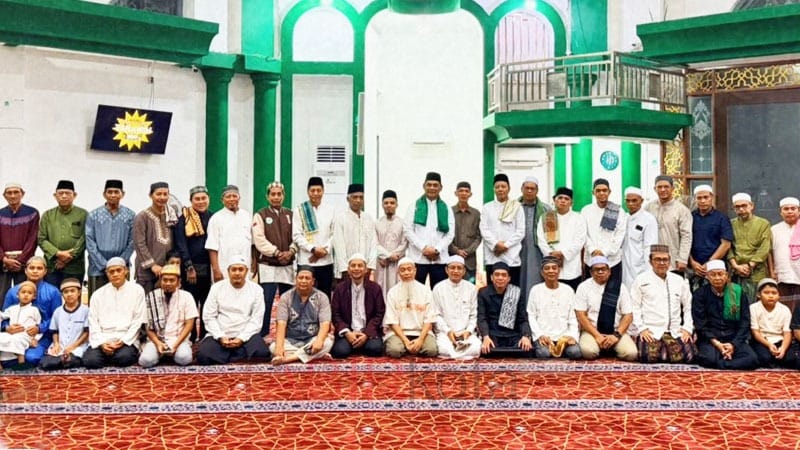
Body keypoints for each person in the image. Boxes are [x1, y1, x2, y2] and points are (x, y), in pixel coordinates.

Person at [197, 255, 269, 365]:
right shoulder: (217, 288)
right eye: (234, 269)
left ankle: (226, 354)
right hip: (221, 334)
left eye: (241, 269)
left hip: (245, 335)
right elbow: (208, 316)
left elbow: (256, 319)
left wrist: (241, 338)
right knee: (203, 356)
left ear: (246, 271)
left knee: (262, 353)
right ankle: (237, 355)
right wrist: (220, 336)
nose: (237, 273)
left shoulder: (256, 290)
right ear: (228, 271)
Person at [630, 245, 695, 363]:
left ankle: (665, 351)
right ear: (650, 261)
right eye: (657, 259)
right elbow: (634, 306)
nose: (661, 263)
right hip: (650, 330)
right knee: (648, 357)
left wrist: (687, 329)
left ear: (669, 261)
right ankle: (664, 352)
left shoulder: (678, 280)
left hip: (674, 330)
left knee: (690, 356)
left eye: (665, 260)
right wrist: (642, 329)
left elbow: (688, 306)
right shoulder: (641, 280)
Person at [692, 259, 758, 370]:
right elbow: (700, 324)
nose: (717, 278)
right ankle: (728, 359)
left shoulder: (737, 292)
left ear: (726, 275)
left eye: (720, 274)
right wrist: (717, 343)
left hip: (733, 338)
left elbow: (745, 322)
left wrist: (733, 344)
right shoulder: (700, 294)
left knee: (752, 359)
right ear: (707, 277)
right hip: (711, 339)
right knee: (708, 358)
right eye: (713, 275)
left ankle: (723, 363)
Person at [84, 257, 147, 369]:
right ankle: (107, 355)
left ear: (126, 271)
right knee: (90, 361)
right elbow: (93, 321)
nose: (115, 274)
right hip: (103, 338)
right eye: (111, 272)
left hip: (126, 339)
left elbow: (138, 321)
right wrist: (102, 343)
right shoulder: (98, 294)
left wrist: (123, 341)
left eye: (119, 270)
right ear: (107, 274)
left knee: (123, 358)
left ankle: (110, 357)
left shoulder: (137, 291)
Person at [252, 181, 297, 337]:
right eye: (273, 194)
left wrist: (291, 251)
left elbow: (297, 236)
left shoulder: (291, 214)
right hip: (268, 266)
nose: (276, 197)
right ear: (267, 196)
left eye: (279, 194)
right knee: (266, 301)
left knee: (288, 302)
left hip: (287, 265)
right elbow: (259, 240)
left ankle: (288, 333)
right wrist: (277, 253)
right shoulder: (260, 215)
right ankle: (262, 333)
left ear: (284, 196)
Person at [574, 256, 637, 361]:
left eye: (603, 269)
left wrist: (616, 336)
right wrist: (597, 335)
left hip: (615, 332)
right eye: (596, 269)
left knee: (631, 354)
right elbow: (580, 315)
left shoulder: (620, 287)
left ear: (609, 271)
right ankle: (603, 347)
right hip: (592, 332)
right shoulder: (583, 287)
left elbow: (628, 315)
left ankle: (611, 346)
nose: (600, 272)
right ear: (591, 272)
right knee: (588, 352)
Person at [1, 256, 61, 367]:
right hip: (14, 334)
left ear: (45, 271)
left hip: (42, 335)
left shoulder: (53, 292)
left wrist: (39, 328)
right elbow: (4, 316)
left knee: (31, 358)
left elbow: (57, 318)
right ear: (25, 270)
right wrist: (7, 328)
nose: (35, 271)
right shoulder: (13, 292)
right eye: (32, 268)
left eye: (39, 268)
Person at [270, 266, 334, 365]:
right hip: (290, 340)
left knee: (327, 342)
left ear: (313, 281)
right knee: (273, 347)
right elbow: (281, 323)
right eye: (300, 278)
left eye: (307, 278)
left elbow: (325, 323)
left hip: (312, 338)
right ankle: (313, 355)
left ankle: (288, 359)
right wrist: (279, 346)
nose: (303, 281)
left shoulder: (322, 298)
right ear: (296, 279)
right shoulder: (286, 297)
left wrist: (319, 341)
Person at [173, 185, 212, 341]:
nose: (201, 201)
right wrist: (189, 266)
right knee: (191, 302)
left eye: (204, 198)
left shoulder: (212, 217)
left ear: (208, 199)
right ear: (191, 201)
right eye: (197, 199)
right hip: (191, 268)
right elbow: (181, 244)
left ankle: (205, 334)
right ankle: (190, 334)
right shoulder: (184, 218)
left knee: (208, 302)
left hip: (209, 268)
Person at [139, 264, 197, 368]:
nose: (168, 283)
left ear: (179, 282)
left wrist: (175, 345)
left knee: (184, 359)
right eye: (165, 280)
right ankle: (159, 353)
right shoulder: (151, 297)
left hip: (179, 340)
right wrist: (158, 344)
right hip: (157, 340)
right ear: (160, 280)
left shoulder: (187, 297)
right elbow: (148, 327)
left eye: (172, 280)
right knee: (145, 361)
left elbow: (189, 325)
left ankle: (167, 355)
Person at [404, 172, 455, 288]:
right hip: (418, 258)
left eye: (435, 185)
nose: (432, 188)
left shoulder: (446, 208)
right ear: (424, 186)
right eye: (429, 185)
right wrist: (424, 248)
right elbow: (407, 230)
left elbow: (450, 234)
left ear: (440, 188)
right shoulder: (414, 206)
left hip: (440, 259)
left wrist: (437, 249)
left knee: (439, 295)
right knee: (415, 293)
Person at [85, 179, 135, 297]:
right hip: (97, 268)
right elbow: (89, 241)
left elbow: (133, 242)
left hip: (122, 268)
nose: (113, 195)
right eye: (110, 192)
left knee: (123, 302)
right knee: (97, 302)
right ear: (104, 194)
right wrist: (104, 265)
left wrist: (119, 264)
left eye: (116, 192)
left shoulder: (130, 215)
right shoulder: (93, 215)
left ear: (122, 194)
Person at [330, 253, 385, 359]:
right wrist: (347, 332)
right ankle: (355, 344)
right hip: (348, 331)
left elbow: (379, 313)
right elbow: (335, 314)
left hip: (367, 331)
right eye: (353, 266)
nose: (356, 269)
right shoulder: (340, 288)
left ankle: (360, 343)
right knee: (340, 352)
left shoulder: (375, 288)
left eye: (360, 266)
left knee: (375, 349)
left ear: (366, 270)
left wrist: (366, 334)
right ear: (348, 269)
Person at [527, 256, 581, 359]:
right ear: (542, 273)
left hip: (564, 337)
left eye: (554, 268)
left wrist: (572, 336)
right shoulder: (535, 290)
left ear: (559, 271)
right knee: (544, 354)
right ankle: (552, 351)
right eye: (547, 268)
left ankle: (560, 350)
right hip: (544, 336)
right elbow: (531, 316)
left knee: (575, 353)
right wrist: (539, 335)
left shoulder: (568, 290)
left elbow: (573, 317)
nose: (551, 271)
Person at [383, 257, 438, 358]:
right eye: (402, 270)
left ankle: (412, 347)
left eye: (409, 269)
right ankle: (410, 347)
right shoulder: (392, 292)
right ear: (398, 272)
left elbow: (429, 319)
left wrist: (421, 340)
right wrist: (405, 340)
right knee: (395, 351)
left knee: (431, 350)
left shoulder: (426, 291)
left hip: (421, 332)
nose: (406, 273)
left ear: (415, 270)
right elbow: (392, 321)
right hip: (398, 333)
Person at [477, 262, 534, 358]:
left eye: (504, 275)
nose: (500, 278)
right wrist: (485, 337)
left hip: (512, 335)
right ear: (491, 277)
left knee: (526, 350)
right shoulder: (483, 293)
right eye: (497, 275)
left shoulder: (515, 292)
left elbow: (523, 319)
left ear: (509, 279)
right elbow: (482, 318)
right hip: (493, 334)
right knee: (486, 351)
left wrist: (525, 336)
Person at [38, 180, 87, 287]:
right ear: (55, 196)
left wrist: (69, 257)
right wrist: (58, 253)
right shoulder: (47, 215)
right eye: (60, 193)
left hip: (75, 267)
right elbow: (41, 239)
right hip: (52, 266)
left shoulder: (83, 215)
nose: (64, 196)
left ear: (74, 195)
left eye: (68, 193)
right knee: (51, 298)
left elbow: (85, 238)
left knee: (72, 299)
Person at [537, 187, 587, 291]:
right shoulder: (546, 217)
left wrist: (563, 253)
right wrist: (551, 254)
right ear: (554, 200)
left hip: (572, 266)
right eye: (560, 198)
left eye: (566, 199)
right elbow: (541, 240)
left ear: (571, 202)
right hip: (551, 265)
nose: (563, 201)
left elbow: (580, 241)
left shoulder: (578, 218)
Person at [293, 177, 336, 297]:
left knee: (325, 296)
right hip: (306, 261)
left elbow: (334, 234)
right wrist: (313, 249)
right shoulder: (299, 210)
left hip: (325, 261)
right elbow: (296, 235)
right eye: (313, 190)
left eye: (319, 190)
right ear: (308, 192)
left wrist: (324, 250)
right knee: (304, 295)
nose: (316, 193)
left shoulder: (331, 210)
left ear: (323, 191)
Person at [432, 255, 481, 360]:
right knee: (443, 349)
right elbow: (436, 315)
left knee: (476, 347)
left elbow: (474, 315)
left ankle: (455, 353)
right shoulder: (438, 288)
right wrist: (448, 331)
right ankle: (461, 353)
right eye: (452, 268)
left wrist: (468, 331)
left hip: (466, 333)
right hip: (445, 333)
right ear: (446, 270)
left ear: (464, 271)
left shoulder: (471, 289)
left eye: (459, 268)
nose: (456, 271)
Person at [581, 179, 627, 288]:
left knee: (611, 295)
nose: (602, 193)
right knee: (591, 293)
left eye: (604, 190)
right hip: (591, 260)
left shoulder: (619, 211)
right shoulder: (586, 210)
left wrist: (604, 252)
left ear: (609, 192)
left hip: (612, 261)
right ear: (593, 193)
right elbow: (583, 234)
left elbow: (619, 235)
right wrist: (593, 250)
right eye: (598, 190)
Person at [480, 173, 524, 285]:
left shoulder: (517, 207)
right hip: (492, 255)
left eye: (503, 186)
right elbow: (483, 229)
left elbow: (520, 231)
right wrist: (495, 244)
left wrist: (506, 245)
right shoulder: (487, 207)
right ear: (494, 189)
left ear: (508, 188)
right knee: (492, 291)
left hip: (511, 256)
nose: (500, 189)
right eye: (497, 187)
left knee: (512, 292)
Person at [688, 185, 733, 291]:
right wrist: (692, 262)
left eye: (705, 197)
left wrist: (709, 263)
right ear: (695, 199)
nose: (702, 201)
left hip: (716, 269)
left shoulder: (721, 218)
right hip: (694, 269)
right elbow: (684, 240)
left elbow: (726, 244)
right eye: (699, 198)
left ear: (711, 197)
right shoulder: (689, 217)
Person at [728, 192, 771, 302]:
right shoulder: (730, 224)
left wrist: (750, 265)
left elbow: (765, 248)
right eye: (737, 207)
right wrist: (736, 266)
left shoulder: (763, 224)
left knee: (756, 305)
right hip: (736, 272)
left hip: (756, 272)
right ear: (734, 208)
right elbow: (728, 247)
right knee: (736, 307)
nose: (741, 209)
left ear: (751, 206)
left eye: (744, 206)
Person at [645, 175, 692, 275]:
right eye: (659, 187)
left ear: (672, 188)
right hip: (651, 260)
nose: (663, 190)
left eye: (666, 187)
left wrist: (683, 259)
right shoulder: (649, 207)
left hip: (673, 261)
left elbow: (686, 236)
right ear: (655, 189)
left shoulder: (682, 210)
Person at [39, 278, 89, 370]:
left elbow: (86, 333)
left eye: (72, 291)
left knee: (73, 359)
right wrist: (56, 344)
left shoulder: (86, 310)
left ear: (79, 293)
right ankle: (62, 360)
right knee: (44, 364)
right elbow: (54, 331)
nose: (69, 294)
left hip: (78, 346)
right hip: (61, 346)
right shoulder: (58, 311)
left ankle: (64, 360)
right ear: (62, 294)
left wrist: (73, 346)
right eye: (66, 292)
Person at [206, 185, 252, 283]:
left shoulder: (246, 216)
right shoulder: (216, 218)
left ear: (239, 198)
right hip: (224, 267)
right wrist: (216, 270)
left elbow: (252, 243)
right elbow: (212, 246)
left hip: (244, 265)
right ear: (222, 200)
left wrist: (254, 264)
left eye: (234, 196)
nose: (232, 199)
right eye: (228, 196)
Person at [0, 182, 39, 299]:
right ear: (4, 195)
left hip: (23, 264)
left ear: (22, 194)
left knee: (25, 295)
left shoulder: (32, 213)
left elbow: (33, 239)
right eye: (9, 193)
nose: (12, 196)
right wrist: (4, 259)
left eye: (16, 192)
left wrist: (20, 261)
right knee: (2, 296)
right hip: (3, 264)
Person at [133, 182, 173, 293]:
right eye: (158, 194)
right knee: (148, 304)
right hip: (147, 271)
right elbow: (139, 244)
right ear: (151, 195)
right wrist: (152, 265)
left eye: (165, 194)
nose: (162, 197)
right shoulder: (142, 217)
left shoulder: (171, 215)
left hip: (167, 270)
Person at [332, 183, 377, 280]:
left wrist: (370, 266)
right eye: (355, 197)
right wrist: (345, 269)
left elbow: (373, 244)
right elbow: (339, 246)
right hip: (347, 271)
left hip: (365, 270)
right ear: (348, 199)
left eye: (361, 197)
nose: (358, 200)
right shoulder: (341, 218)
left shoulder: (368, 218)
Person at [749, 278, 796, 368]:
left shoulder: (784, 309)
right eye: (766, 293)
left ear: (779, 296)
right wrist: (769, 345)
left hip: (779, 340)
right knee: (764, 358)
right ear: (759, 295)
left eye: (774, 293)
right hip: (762, 341)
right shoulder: (753, 308)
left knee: (791, 359)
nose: (770, 296)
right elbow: (756, 332)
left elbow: (787, 333)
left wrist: (783, 348)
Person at [518, 176, 551, 299]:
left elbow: (551, 234)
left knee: (536, 280)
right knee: (518, 281)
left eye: (532, 188)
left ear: (537, 190)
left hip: (538, 252)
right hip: (517, 251)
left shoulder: (546, 209)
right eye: (527, 188)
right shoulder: (513, 207)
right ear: (522, 189)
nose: (529, 191)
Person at [621, 187, 659, 288]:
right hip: (625, 268)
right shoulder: (624, 218)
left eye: (634, 200)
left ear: (641, 201)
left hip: (641, 268)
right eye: (628, 201)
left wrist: (649, 272)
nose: (631, 204)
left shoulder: (648, 219)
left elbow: (650, 248)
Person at [375, 190, 407, 298]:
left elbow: (404, 243)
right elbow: (375, 243)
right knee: (380, 289)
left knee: (397, 291)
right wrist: (387, 256)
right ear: (382, 205)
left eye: (392, 203)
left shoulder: (403, 223)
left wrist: (392, 256)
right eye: (386, 203)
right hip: (381, 263)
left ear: (397, 205)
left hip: (397, 262)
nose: (389, 205)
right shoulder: (376, 223)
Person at [770, 196, 800, 313]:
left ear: (799, 210)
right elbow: (769, 252)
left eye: (793, 208)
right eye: (786, 209)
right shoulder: (774, 230)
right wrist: (772, 270)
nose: (790, 211)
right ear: (781, 212)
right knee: (784, 309)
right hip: (782, 275)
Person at [0, 281, 41, 366]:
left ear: (34, 297)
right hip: (11, 333)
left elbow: (38, 325)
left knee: (17, 339)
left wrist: (35, 339)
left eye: (29, 293)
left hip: (26, 335)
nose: (26, 295)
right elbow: (3, 316)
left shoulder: (34, 310)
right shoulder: (12, 309)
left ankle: (21, 362)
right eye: (23, 292)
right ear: (17, 295)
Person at [448, 181, 481, 282]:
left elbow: (478, 236)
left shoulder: (475, 214)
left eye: (466, 191)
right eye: (461, 191)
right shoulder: (449, 212)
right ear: (456, 193)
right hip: (452, 258)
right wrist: (456, 250)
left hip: (469, 261)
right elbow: (444, 235)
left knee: (469, 289)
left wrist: (468, 251)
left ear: (470, 194)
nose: (463, 193)